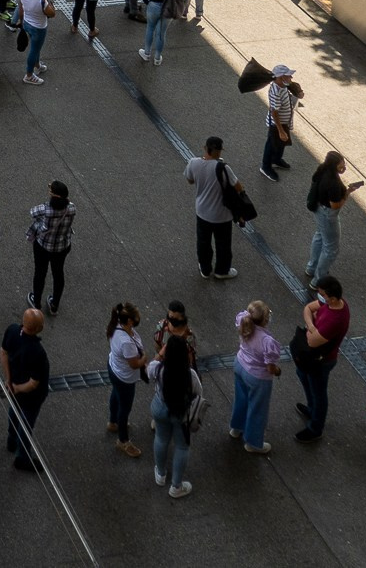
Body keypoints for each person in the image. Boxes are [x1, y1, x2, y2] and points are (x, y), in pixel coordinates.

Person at [290, 277, 349, 443]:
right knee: (303, 376)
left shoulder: (335, 320)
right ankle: (312, 409)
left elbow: (311, 341)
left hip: (322, 361)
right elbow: (308, 308)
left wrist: (310, 325)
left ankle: (316, 428)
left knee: (318, 393)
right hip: (311, 356)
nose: (319, 297)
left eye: (322, 294)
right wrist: (312, 326)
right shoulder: (332, 304)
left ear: (332, 297)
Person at [147, 319, 200, 499]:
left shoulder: (159, 369)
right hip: (181, 412)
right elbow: (198, 392)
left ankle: (160, 474)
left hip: (160, 408)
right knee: (182, 446)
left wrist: (161, 353)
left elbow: (148, 370)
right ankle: (176, 486)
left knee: (161, 438)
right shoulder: (190, 374)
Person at [0, 308, 50, 472]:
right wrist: (18, 388)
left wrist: (9, 380)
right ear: (37, 329)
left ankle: (11, 439)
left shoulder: (13, 330)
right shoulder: (37, 352)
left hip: (14, 383)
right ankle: (22, 457)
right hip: (31, 396)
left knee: (14, 410)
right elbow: (33, 384)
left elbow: (3, 352)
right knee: (26, 423)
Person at [185, 137, 241, 279]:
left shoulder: (193, 163)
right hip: (222, 215)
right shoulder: (224, 168)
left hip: (202, 212)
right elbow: (238, 187)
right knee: (223, 244)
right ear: (219, 151)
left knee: (203, 242)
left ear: (205, 148)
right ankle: (222, 271)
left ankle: (205, 269)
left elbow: (190, 180)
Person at [230, 301, 281, 454]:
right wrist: (277, 371)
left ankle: (236, 428)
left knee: (241, 399)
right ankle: (252, 443)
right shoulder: (267, 341)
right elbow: (270, 367)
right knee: (258, 409)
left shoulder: (242, 321)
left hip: (239, 364)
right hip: (257, 377)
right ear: (265, 320)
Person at [304, 151, 359, 288]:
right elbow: (335, 205)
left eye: (344, 164)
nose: (344, 168)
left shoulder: (322, 170)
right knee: (331, 248)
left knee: (319, 236)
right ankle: (319, 280)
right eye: (341, 166)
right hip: (328, 214)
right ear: (334, 166)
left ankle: (311, 268)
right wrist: (347, 193)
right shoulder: (333, 183)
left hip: (318, 208)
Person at [26, 180, 74, 313]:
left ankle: (36, 302)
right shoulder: (71, 208)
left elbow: (32, 212)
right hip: (61, 247)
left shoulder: (45, 209)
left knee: (40, 273)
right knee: (58, 274)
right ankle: (54, 305)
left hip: (43, 246)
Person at [106, 303, 146, 457]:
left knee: (116, 394)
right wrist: (144, 359)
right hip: (125, 378)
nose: (139, 317)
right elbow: (134, 364)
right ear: (129, 321)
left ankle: (113, 422)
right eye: (136, 315)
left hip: (114, 369)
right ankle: (123, 441)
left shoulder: (116, 325)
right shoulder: (126, 342)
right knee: (125, 408)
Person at [261, 64, 298, 179]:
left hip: (283, 123)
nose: (291, 78)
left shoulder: (282, 86)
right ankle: (266, 167)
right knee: (271, 145)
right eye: (288, 76)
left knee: (281, 143)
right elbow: (274, 112)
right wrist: (281, 131)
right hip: (277, 125)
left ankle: (276, 159)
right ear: (281, 77)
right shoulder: (276, 92)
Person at [18, 0, 55, 86]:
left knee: (36, 48)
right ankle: (29, 75)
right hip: (39, 28)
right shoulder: (42, 2)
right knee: (35, 50)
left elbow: (21, 10)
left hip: (27, 23)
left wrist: (21, 21)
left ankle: (37, 65)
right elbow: (52, 13)